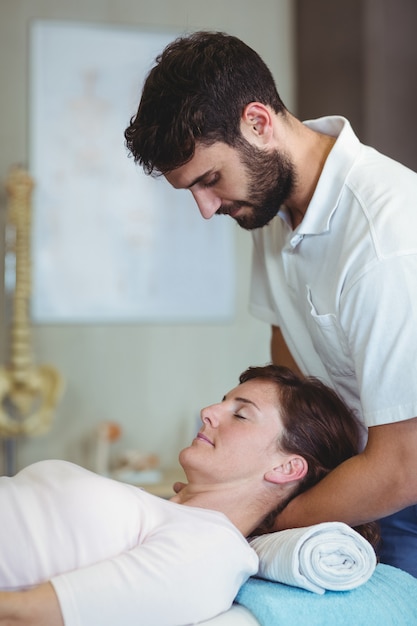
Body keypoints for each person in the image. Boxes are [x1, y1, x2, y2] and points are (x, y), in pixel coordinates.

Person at [124, 30, 417, 577]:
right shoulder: (270, 206)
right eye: (191, 190)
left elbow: (405, 466)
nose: (207, 210)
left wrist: (261, 514)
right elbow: (286, 363)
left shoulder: (386, 236)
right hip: (354, 473)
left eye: (210, 180)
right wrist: (248, 473)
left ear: (258, 123)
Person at [0, 365, 376, 626]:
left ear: (285, 469)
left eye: (240, 415)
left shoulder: (213, 549)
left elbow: (25, 614)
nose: (208, 412)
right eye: (223, 401)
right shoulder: (167, 514)